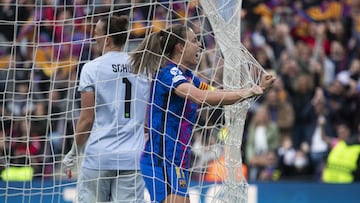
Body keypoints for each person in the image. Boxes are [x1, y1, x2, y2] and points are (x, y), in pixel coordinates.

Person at [131, 24, 275, 203]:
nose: (199, 45)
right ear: (180, 47)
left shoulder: (190, 77)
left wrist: (256, 88)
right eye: (194, 41)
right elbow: (200, 97)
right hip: (161, 161)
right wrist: (249, 92)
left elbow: (215, 94)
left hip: (178, 162)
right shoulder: (169, 73)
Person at [62, 15, 148, 203]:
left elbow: (86, 119)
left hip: (99, 156)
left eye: (96, 34)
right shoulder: (142, 68)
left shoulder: (91, 69)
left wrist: (74, 152)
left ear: (107, 39)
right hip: (132, 157)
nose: (95, 38)